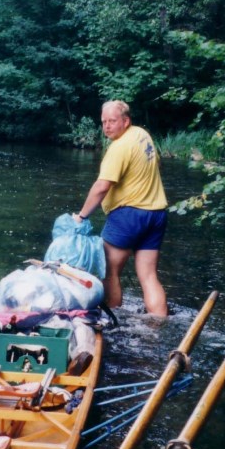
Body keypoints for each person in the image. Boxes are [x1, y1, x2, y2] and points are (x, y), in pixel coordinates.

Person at [73, 100, 169, 316]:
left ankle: (112, 322)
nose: (107, 126)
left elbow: (102, 187)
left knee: (109, 271)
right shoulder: (142, 135)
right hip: (156, 214)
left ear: (126, 121)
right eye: (104, 122)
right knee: (149, 276)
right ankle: (159, 324)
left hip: (129, 215)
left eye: (112, 121)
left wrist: (81, 216)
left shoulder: (119, 147)